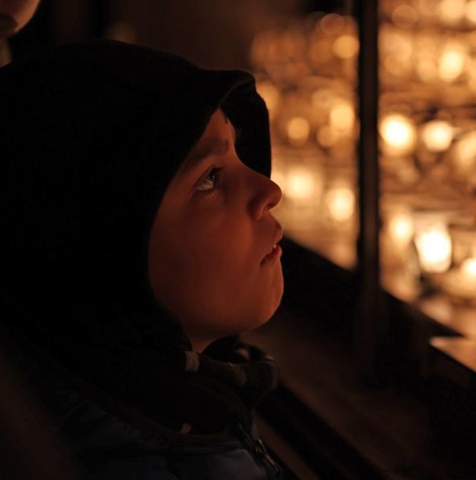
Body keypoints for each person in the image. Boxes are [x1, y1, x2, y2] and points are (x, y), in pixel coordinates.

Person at [0, 39, 285, 479]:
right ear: (101, 250)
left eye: (239, 152)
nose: (270, 191)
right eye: (210, 178)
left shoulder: (189, 406)